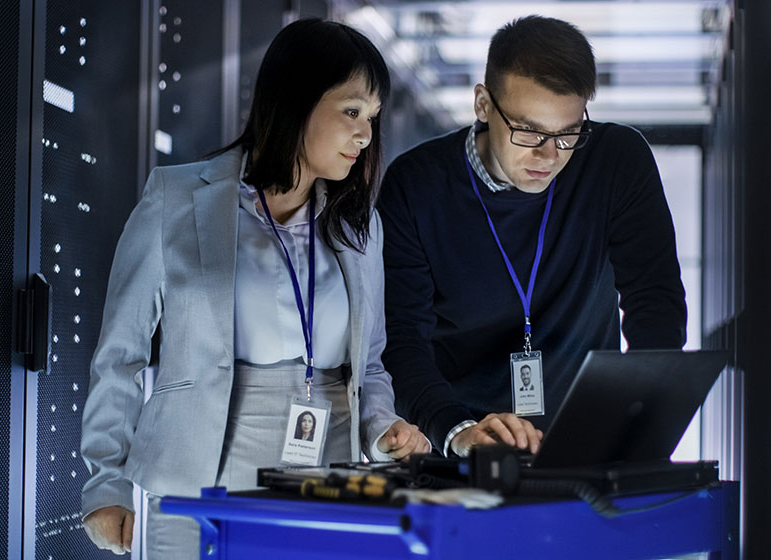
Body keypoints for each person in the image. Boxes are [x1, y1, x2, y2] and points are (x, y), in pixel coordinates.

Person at [80, 18, 428, 558]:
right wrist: (106, 481)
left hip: (328, 477)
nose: (365, 134)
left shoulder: (360, 228)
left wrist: (383, 431)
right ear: (296, 100)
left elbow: (372, 365)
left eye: (373, 118)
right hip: (197, 474)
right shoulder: (175, 199)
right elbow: (120, 356)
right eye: (352, 111)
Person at [377, 15, 686, 459]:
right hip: (464, 439)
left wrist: (639, 420)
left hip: (586, 439)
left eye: (568, 133)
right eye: (528, 131)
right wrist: (457, 430)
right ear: (483, 104)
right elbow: (402, 339)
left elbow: (654, 302)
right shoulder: (417, 185)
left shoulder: (615, 161)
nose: (548, 155)